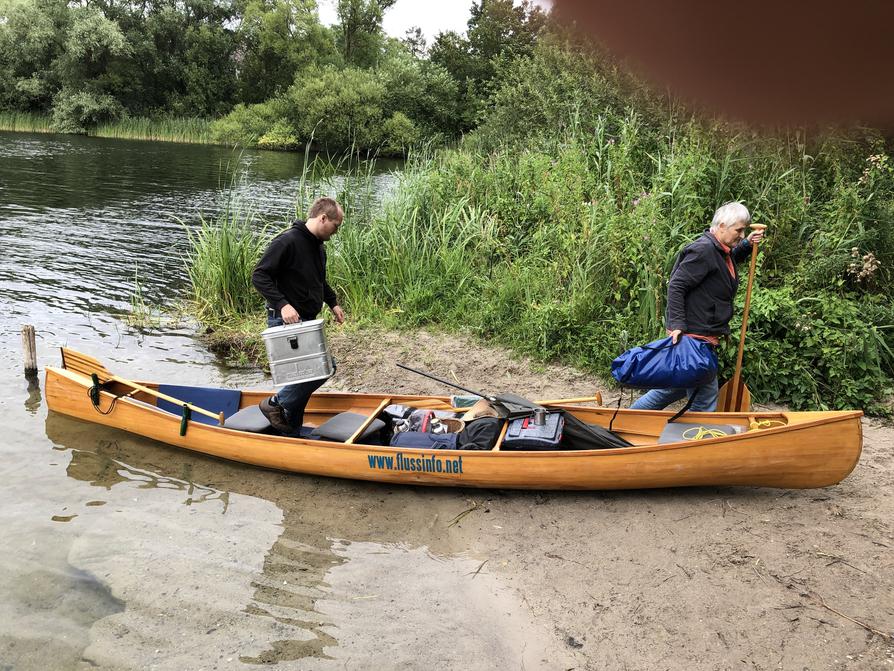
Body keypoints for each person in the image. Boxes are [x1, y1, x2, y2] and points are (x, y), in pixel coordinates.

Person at [630, 201, 765, 412]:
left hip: (702, 336)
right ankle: (696, 440)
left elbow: (723, 265)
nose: (741, 234)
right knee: (705, 399)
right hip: (694, 339)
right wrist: (675, 324)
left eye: (744, 230)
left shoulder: (719, 250)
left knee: (673, 388)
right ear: (722, 225)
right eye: (739, 230)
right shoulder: (703, 251)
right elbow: (677, 284)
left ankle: (629, 418)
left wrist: (746, 245)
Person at [252, 197, 346, 433]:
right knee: (323, 368)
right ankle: (274, 404)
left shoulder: (318, 248)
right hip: (285, 322)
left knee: (304, 377)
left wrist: (332, 302)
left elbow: (318, 281)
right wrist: (283, 304)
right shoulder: (287, 241)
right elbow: (259, 275)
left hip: (306, 322)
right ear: (323, 218)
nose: (336, 231)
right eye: (336, 225)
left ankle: (289, 430)